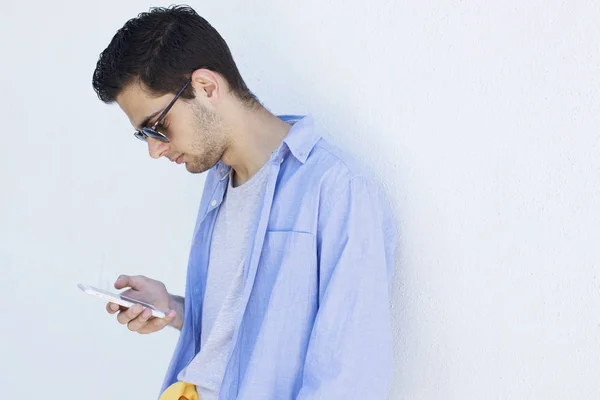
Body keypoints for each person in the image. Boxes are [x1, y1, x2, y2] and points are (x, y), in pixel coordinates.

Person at [92, 5, 397, 400]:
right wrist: (171, 308)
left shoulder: (337, 188)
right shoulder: (220, 183)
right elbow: (250, 333)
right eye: (143, 135)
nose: (154, 150)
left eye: (157, 126)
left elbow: (350, 377)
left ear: (206, 87)